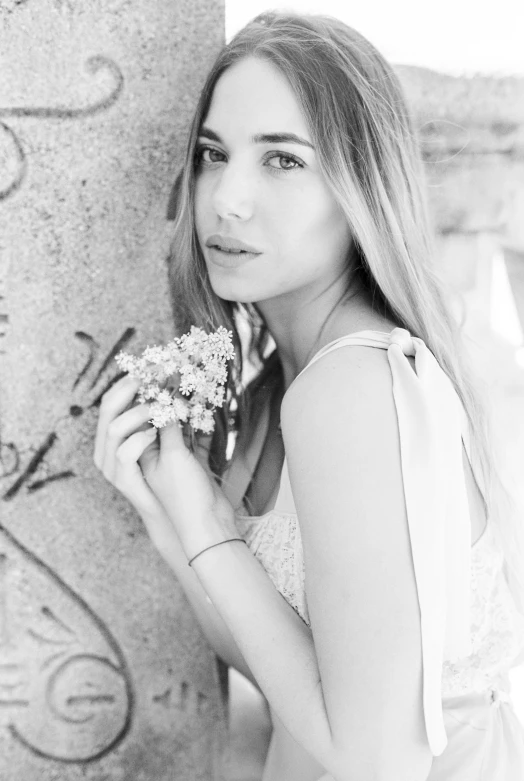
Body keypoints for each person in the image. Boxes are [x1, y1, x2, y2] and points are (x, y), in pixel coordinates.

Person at [93, 11, 524, 780]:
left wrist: (204, 523)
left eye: (283, 161)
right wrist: (170, 517)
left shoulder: (352, 390)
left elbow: (378, 758)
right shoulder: (275, 390)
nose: (227, 198)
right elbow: (287, 670)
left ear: (360, 185)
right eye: (212, 154)